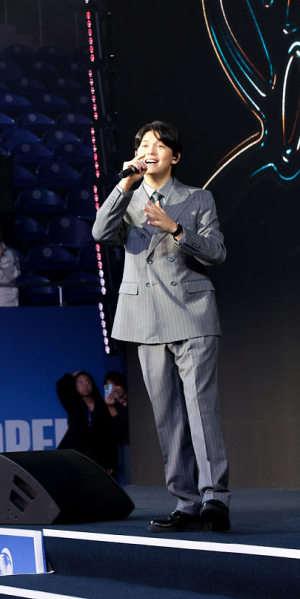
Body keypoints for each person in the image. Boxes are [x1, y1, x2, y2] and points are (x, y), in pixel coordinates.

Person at [92, 120, 230, 532]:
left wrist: (176, 229)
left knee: (201, 409)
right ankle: (186, 502)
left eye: (158, 145)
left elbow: (216, 252)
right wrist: (125, 184)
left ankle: (215, 499)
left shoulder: (197, 198)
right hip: (145, 317)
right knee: (167, 415)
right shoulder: (127, 198)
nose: (149, 150)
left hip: (192, 312)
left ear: (175, 156)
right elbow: (100, 232)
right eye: (143, 145)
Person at [55, 371, 120, 475]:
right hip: (76, 453)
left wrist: (111, 461)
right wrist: (72, 375)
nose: (85, 386)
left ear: (92, 384)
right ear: (75, 386)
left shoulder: (103, 403)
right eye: (80, 383)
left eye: (88, 382)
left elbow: (109, 435)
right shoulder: (73, 403)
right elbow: (61, 386)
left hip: (98, 455)